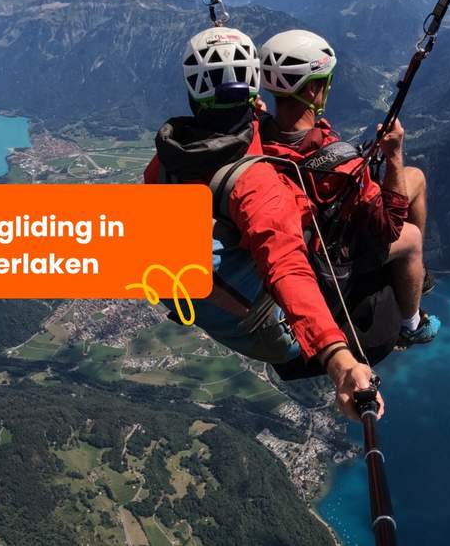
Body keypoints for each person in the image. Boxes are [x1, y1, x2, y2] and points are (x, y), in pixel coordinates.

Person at [144, 26, 382, 421]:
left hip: (219, 307)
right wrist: (339, 358)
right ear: (254, 86)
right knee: (382, 301)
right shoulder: (255, 183)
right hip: (272, 326)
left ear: (191, 93)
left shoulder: (166, 162)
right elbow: (286, 266)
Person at [258, 29, 440, 347]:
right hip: (327, 256)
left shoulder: (257, 135)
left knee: (417, 178)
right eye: (326, 83)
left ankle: (416, 276)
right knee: (410, 238)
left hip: (294, 236)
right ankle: (412, 323)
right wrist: (394, 156)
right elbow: (388, 227)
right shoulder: (339, 163)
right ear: (314, 89)